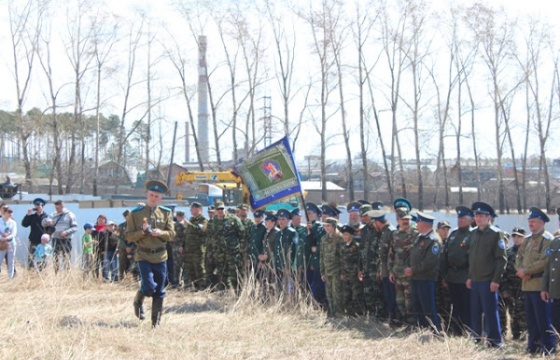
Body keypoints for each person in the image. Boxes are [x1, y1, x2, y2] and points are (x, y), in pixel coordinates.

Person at [126, 180, 176, 328]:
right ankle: (138, 300)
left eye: (157, 196)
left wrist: (161, 233)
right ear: (147, 195)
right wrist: (142, 232)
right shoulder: (135, 214)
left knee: (159, 291)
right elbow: (128, 236)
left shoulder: (166, 213)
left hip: (160, 256)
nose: (153, 198)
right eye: (151, 195)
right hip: (144, 256)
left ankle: (156, 323)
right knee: (148, 287)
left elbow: (171, 234)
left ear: (161, 198)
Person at [467, 202, 507, 348]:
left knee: (490, 312)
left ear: (488, 217)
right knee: (475, 312)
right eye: (476, 216)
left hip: (488, 280)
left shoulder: (495, 234)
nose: (478, 218)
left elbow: (501, 259)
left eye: (481, 216)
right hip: (476, 280)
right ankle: (476, 338)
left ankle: (495, 341)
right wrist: (470, 277)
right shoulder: (473, 233)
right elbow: (472, 258)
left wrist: (496, 280)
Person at [516, 207, 555, 355]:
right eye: (529, 221)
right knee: (531, 321)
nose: (530, 224)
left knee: (543, 320)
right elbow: (518, 256)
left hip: (540, 286)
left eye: (533, 222)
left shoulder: (547, 240)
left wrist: (526, 271)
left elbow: (544, 261)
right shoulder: (527, 240)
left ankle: (547, 349)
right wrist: (520, 270)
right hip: (527, 285)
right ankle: (533, 347)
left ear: (541, 223)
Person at [406, 212, 441, 332]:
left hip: (426, 279)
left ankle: (434, 331)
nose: (416, 224)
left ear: (425, 224)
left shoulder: (433, 240)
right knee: (417, 306)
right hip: (416, 278)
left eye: (418, 222)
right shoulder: (421, 237)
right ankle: (421, 329)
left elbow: (429, 262)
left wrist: (413, 269)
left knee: (428, 307)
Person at [440, 206, 473, 335]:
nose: (460, 221)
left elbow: (473, 259)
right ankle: (456, 330)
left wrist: (470, 276)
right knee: (455, 306)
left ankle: (467, 330)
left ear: (470, 220)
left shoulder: (472, 234)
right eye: (459, 218)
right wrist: (444, 275)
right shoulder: (453, 234)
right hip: (452, 276)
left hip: (465, 276)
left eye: (463, 219)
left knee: (467, 306)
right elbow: (446, 255)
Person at [205, 201, 244, 291]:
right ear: (215, 210)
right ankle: (224, 294)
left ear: (225, 209)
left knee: (234, 275)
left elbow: (242, 235)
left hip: (232, 253)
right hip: (219, 254)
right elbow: (210, 237)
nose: (220, 211)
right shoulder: (212, 222)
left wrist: (241, 250)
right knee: (222, 275)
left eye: (222, 209)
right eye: (218, 209)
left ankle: (239, 295)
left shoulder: (233, 219)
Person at [389, 207, 418, 325]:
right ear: (398, 220)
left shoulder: (415, 233)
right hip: (397, 274)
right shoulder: (395, 234)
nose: (405, 221)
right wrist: (391, 271)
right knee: (399, 301)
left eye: (407, 219)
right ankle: (405, 323)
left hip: (408, 275)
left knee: (409, 302)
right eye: (403, 219)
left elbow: (417, 254)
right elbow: (391, 254)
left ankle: (412, 325)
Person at [42, 200, 78, 272]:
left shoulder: (70, 215)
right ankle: (56, 273)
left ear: (62, 206)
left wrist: (66, 232)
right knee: (56, 258)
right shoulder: (53, 215)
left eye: (58, 208)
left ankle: (67, 274)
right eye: (56, 208)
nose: (57, 209)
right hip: (56, 239)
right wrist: (47, 222)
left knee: (66, 258)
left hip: (66, 239)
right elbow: (43, 223)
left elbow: (75, 227)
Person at [180, 202, 208, 291]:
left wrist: (189, 225)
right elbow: (186, 234)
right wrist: (182, 245)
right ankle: (195, 287)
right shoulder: (191, 219)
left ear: (198, 209)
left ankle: (202, 287)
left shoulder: (203, 220)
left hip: (198, 249)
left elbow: (201, 230)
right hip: (189, 249)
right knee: (190, 269)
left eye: (192, 209)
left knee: (199, 269)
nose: (190, 211)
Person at [541, 207, 560, 335]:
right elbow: (548, 267)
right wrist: (544, 287)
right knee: (556, 324)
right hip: (555, 292)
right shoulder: (555, 243)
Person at [320, 217, 342, 317]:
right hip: (327, 271)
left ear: (334, 226)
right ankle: (331, 313)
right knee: (329, 294)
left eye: (328, 226)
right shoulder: (324, 239)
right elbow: (321, 256)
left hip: (337, 271)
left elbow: (343, 256)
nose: (326, 228)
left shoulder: (339, 238)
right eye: (324, 226)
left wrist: (343, 272)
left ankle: (338, 314)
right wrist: (322, 272)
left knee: (337, 294)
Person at [306, 202, 327, 307]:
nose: (308, 215)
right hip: (313, 262)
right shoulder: (310, 226)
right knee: (314, 287)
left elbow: (317, 245)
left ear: (316, 214)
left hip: (320, 262)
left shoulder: (318, 226)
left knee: (318, 287)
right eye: (307, 213)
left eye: (310, 213)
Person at [339, 225, 361, 316]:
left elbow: (359, 260)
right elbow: (342, 260)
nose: (344, 236)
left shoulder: (356, 246)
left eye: (347, 234)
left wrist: (359, 271)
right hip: (346, 275)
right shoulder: (343, 246)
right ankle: (349, 313)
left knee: (356, 295)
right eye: (343, 234)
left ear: (352, 235)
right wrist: (342, 273)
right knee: (346, 295)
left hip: (354, 275)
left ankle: (358, 314)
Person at [21, 198, 48, 269]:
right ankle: (31, 274)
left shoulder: (46, 217)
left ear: (43, 206)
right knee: (31, 259)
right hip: (33, 240)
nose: (38, 207)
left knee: (42, 260)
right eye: (36, 205)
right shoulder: (32, 217)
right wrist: (27, 215)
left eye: (39, 205)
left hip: (43, 242)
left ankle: (42, 275)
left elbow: (50, 229)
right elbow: (24, 224)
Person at [117, 210, 136, 281]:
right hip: (123, 248)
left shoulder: (136, 226)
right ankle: (121, 278)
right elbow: (117, 237)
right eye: (128, 216)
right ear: (125, 217)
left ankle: (135, 279)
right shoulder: (121, 226)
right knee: (122, 263)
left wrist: (131, 247)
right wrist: (125, 247)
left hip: (134, 247)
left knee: (134, 263)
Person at [0, 206, 17, 279]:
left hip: (11, 243)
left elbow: (14, 233)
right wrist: (2, 238)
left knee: (11, 261)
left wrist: (6, 238)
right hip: (1, 243)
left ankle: (10, 277)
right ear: (5, 212)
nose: (10, 214)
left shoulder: (13, 222)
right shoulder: (0, 221)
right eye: (9, 212)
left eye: (11, 212)